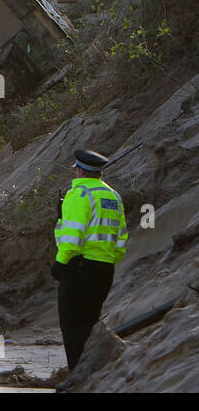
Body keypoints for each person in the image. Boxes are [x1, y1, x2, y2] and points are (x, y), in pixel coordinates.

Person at [51, 148, 129, 369]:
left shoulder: (79, 195)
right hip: (105, 270)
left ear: (79, 170)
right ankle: (94, 372)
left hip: (79, 270)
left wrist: (61, 262)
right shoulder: (113, 196)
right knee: (90, 325)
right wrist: (107, 259)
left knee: (73, 329)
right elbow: (121, 238)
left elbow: (72, 235)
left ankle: (78, 376)